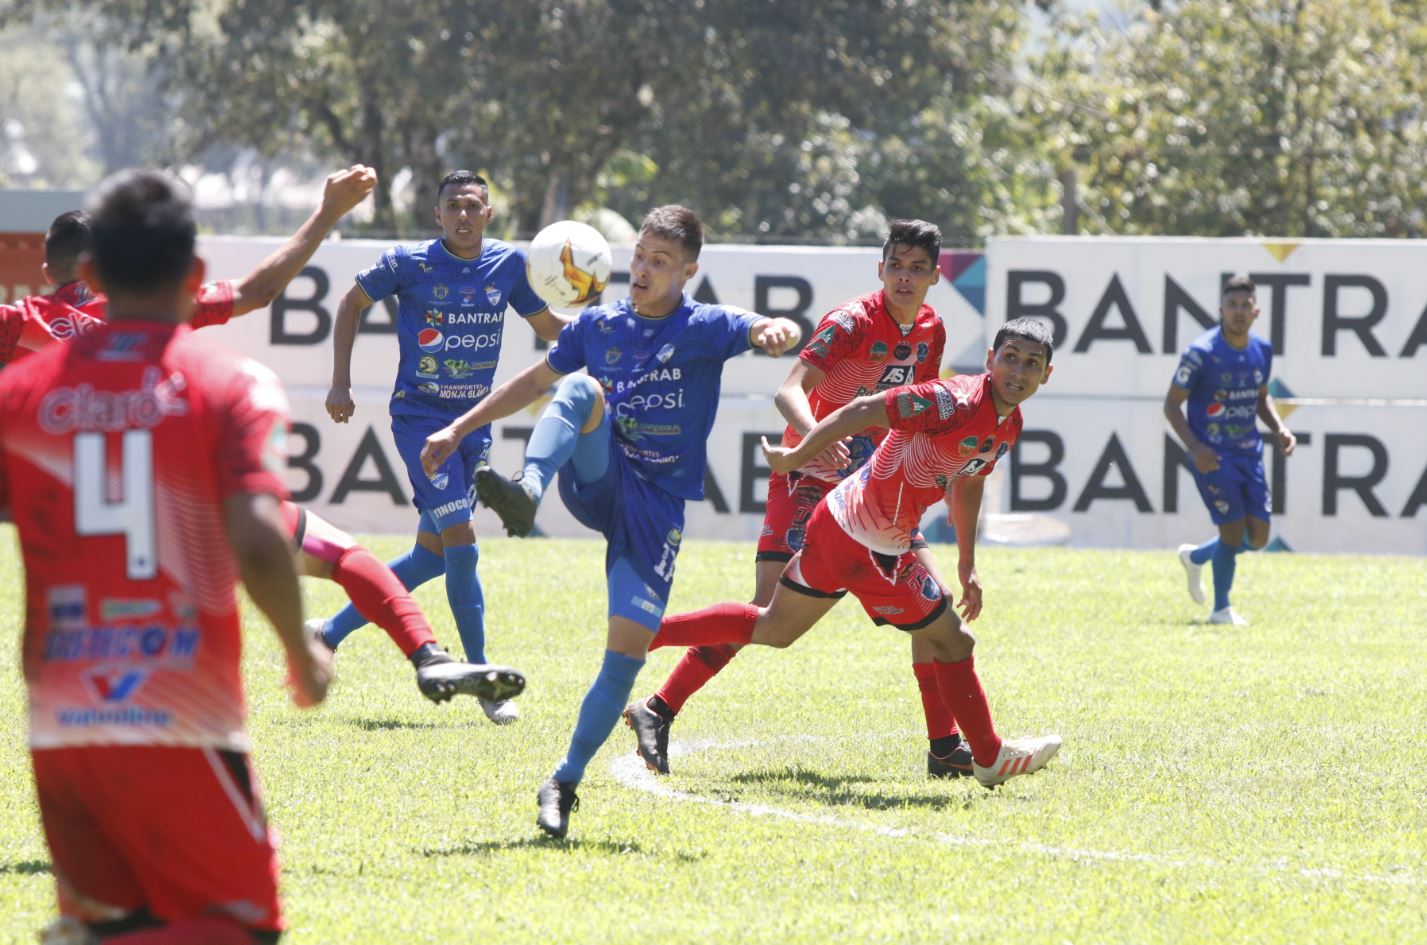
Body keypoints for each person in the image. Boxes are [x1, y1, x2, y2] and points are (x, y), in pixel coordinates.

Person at [1, 169, 329, 945]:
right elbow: (255, 533)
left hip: (62, 716)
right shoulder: (228, 384)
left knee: (129, 920)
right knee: (240, 927)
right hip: (178, 711)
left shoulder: (22, 396)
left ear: (88, 276)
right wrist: (302, 651)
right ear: (192, 276)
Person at [420, 204, 801, 838]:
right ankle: (527, 490)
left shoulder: (705, 327)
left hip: (655, 508)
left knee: (625, 656)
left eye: (661, 262)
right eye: (641, 258)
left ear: (688, 271)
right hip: (599, 477)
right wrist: (460, 426)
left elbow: (761, 325)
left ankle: (563, 781)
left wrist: (776, 330)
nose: (645, 270)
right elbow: (533, 380)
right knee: (581, 391)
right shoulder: (598, 325)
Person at [622, 219, 976, 780]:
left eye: (916, 268)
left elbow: (916, 408)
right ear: (879, 268)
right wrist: (818, 440)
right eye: (895, 265)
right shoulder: (853, 321)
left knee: (934, 608)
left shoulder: (931, 330)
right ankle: (655, 696)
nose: (904, 277)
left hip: (874, 495)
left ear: (935, 276)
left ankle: (943, 744)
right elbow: (789, 390)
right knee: (768, 618)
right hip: (807, 478)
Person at [644, 317, 1063, 791]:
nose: (1019, 371)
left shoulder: (1009, 424)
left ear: (1046, 374)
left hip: (842, 519)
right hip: (869, 543)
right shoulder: (953, 400)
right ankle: (986, 756)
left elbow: (969, 482)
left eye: (1032, 363)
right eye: (1010, 358)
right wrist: (799, 454)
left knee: (773, 628)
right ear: (990, 359)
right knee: (953, 639)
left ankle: (643, 636)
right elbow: (863, 408)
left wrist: (967, 562)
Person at [317, 170, 568, 725]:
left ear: (488, 214)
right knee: (462, 541)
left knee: (432, 557)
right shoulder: (410, 263)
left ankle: (328, 632)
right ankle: (485, 680)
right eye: (452, 205)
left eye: (472, 206)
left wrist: (599, 329)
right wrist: (341, 381)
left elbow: (549, 326)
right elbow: (349, 304)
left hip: (473, 425)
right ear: (437, 214)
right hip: (420, 423)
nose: (462, 215)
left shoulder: (507, 266)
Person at [0, 165, 381, 365]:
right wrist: (329, 212)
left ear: (49, 274)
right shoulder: (157, 307)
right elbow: (257, 292)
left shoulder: (18, 322)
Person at [1165, 275, 1296, 626]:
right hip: (1213, 457)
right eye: (1232, 306)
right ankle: (1221, 609)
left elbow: (1260, 395)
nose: (1238, 312)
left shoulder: (1262, 350)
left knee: (1258, 538)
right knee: (1232, 531)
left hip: (1248, 453)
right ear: (1221, 310)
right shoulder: (1201, 353)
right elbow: (1172, 405)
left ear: (1256, 311)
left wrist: (1279, 428)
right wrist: (1195, 448)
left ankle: (1197, 558)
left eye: (1245, 306)